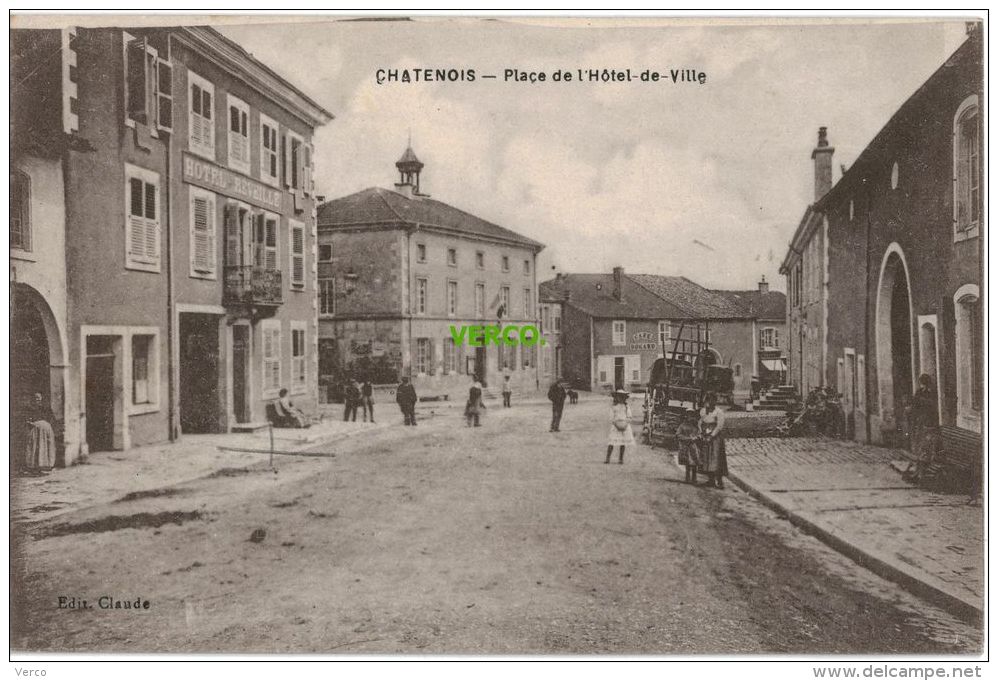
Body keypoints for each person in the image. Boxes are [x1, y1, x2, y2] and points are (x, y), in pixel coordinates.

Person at [905, 374, 939, 482]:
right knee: (920, 448)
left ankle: (920, 474)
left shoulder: (931, 393)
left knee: (925, 449)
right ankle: (918, 473)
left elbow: (932, 407)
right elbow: (915, 404)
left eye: (924, 383)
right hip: (921, 422)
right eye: (922, 383)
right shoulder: (920, 392)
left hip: (929, 423)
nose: (923, 385)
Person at [698, 392, 727, 489]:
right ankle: (710, 480)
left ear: (715, 401)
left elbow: (719, 426)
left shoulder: (719, 412)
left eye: (712, 400)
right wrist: (701, 432)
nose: (710, 403)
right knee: (707, 458)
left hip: (715, 438)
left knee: (716, 458)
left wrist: (712, 435)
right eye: (708, 400)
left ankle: (719, 481)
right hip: (706, 436)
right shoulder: (703, 411)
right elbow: (700, 422)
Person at [22, 392, 56, 473]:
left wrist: (47, 424)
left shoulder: (46, 408)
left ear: (42, 398)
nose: (37, 399)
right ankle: (34, 466)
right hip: (35, 429)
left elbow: (52, 418)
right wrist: (30, 423)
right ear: (33, 399)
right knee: (35, 446)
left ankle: (46, 465)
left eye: (39, 397)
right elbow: (26, 419)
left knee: (46, 446)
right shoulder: (29, 408)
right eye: (35, 397)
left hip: (45, 430)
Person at [606, 389, 634, 464]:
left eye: (622, 397)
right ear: (616, 397)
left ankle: (620, 459)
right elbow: (611, 417)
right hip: (616, 425)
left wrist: (625, 424)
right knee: (612, 441)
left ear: (625, 398)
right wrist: (616, 424)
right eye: (619, 397)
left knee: (623, 442)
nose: (620, 398)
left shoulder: (626, 406)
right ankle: (608, 458)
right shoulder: (613, 407)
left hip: (624, 425)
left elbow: (629, 416)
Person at [676, 409, 700, 484]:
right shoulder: (682, 425)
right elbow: (678, 435)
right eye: (688, 415)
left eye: (691, 415)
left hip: (694, 446)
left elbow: (700, 434)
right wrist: (687, 438)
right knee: (687, 462)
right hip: (685, 446)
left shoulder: (696, 426)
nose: (690, 417)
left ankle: (694, 477)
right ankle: (687, 477)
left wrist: (697, 438)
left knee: (694, 461)